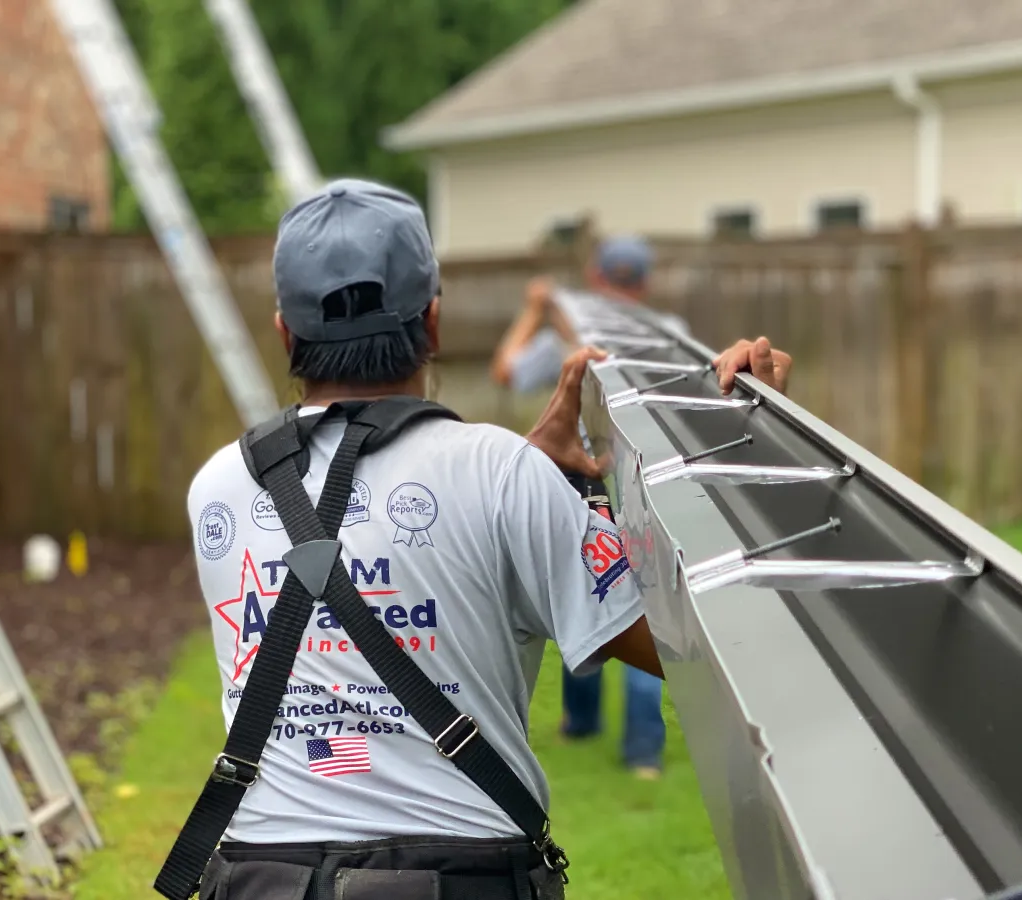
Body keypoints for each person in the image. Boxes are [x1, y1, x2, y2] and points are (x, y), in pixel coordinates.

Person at [155, 179, 788, 900]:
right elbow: (689, 649)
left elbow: (381, 518)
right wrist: (743, 454)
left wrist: (526, 480)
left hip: (258, 876)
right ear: (431, 321)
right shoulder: (501, 476)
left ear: (283, 333)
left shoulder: (220, 487)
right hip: (457, 878)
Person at [490, 235, 790, 780]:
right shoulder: (665, 332)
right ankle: (639, 752)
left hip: (581, 482)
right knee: (640, 601)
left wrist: (535, 312)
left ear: (597, 279)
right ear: (641, 283)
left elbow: (507, 370)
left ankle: (602, 733)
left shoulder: (572, 335)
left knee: (583, 595)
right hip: (644, 484)